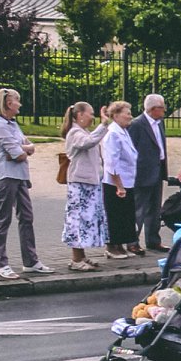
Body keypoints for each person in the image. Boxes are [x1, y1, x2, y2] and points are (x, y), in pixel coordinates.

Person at [0, 87, 49, 278]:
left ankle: (30, 261)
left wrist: (22, 148)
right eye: (17, 100)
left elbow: (25, 147)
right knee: (3, 218)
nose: (20, 104)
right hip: (5, 176)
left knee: (27, 217)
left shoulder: (12, 124)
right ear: (8, 103)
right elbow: (20, 154)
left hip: (20, 176)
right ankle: (0, 263)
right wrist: (23, 149)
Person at [59, 101, 111, 271]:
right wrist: (103, 124)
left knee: (87, 219)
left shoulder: (83, 131)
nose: (93, 116)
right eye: (90, 113)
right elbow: (88, 142)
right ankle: (75, 258)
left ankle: (81, 255)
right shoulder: (75, 133)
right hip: (80, 183)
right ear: (80, 115)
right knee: (78, 220)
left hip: (89, 182)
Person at [128, 94, 170, 252]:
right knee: (139, 208)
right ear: (154, 109)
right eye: (162, 107)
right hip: (142, 172)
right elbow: (130, 149)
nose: (165, 110)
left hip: (157, 170)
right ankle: (132, 241)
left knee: (155, 208)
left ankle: (153, 240)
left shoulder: (160, 123)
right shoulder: (137, 124)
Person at [101, 101, 139, 259]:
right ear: (116, 116)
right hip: (116, 183)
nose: (130, 116)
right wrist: (119, 186)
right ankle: (112, 246)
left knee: (125, 215)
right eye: (127, 112)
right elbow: (111, 162)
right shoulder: (113, 134)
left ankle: (120, 245)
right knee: (115, 215)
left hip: (127, 181)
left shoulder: (123, 131)